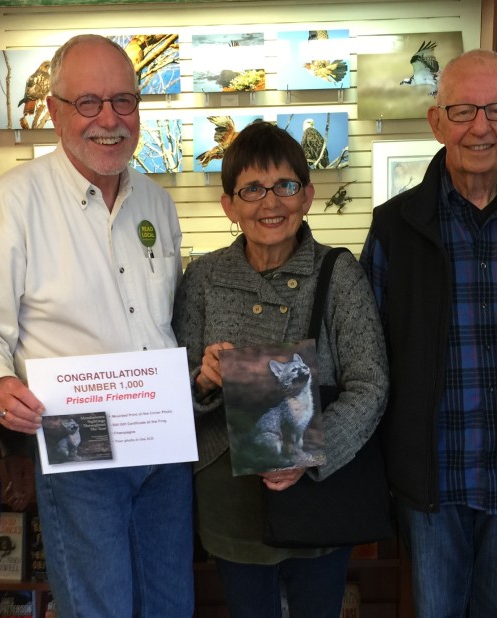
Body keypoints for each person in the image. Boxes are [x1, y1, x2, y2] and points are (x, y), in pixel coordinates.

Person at [0, 34, 193, 618]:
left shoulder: (156, 202)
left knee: (170, 605)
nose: (108, 120)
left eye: (124, 101)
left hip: (162, 446)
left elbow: (166, 323)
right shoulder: (15, 202)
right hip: (80, 444)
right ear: (55, 111)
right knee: (98, 607)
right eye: (88, 102)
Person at [360, 49, 497, 617]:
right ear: (437, 122)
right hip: (432, 478)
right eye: (463, 111)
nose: (481, 127)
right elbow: (367, 354)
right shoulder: (394, 227)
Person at [172, 121, 388, 617]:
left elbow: (370, 384)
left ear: (307, 195)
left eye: (285, 186)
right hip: (229, 494)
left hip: (316, 491)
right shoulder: (204, 276)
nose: (270, 203)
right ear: (229, 205)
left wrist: (310, 456)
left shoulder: (338, 271)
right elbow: (177, 384)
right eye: (251, 189)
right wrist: (203, 379)